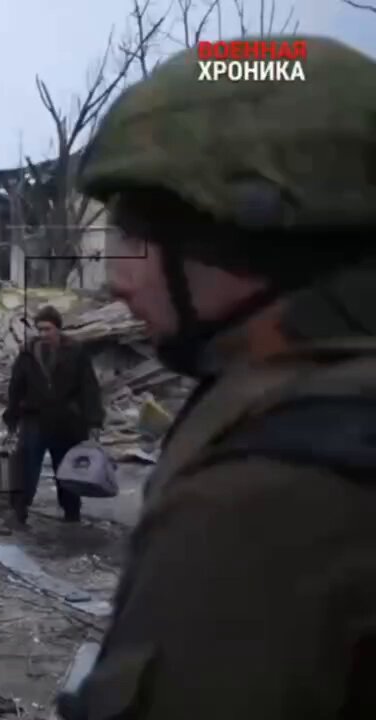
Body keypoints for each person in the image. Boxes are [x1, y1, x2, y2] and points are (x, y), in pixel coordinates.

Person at [56, 36, 376, 719]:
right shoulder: (296, 404)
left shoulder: (268, 502)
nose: (118, 276)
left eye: (141, 231)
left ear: (248, 234)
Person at [2, 304, 104, 525]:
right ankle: (18, 511)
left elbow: (89, 387)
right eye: (39, 329)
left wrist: (94, 421)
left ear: (58, 328)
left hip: (66, 420)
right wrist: (11, 418)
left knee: (66, 469)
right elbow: (16, 387)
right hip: (34, 418)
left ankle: (71, 513)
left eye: (47, 329)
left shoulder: (75, 352)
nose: (43, 334)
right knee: (25, 466)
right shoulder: (28, 353)